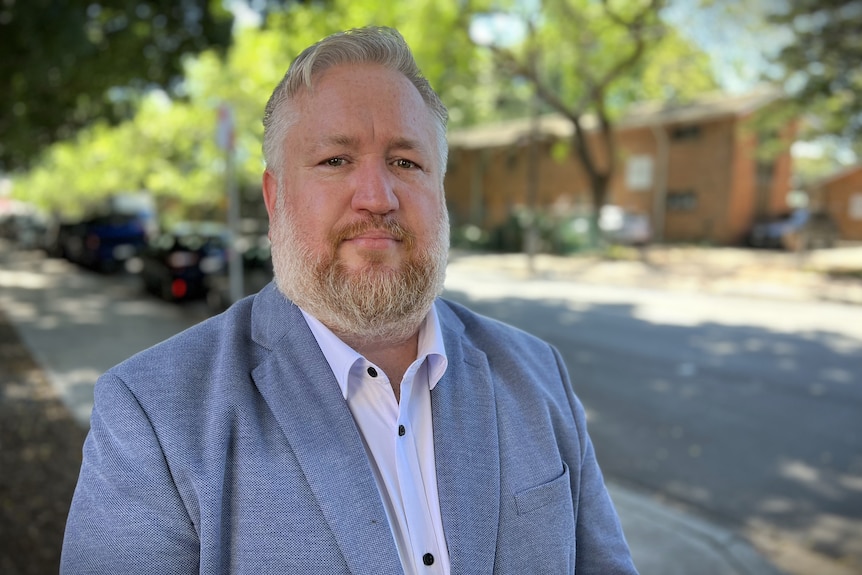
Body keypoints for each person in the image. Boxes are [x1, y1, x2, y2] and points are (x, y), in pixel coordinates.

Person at [61, 26, 638, 574]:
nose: (377, 197)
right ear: (275, 196)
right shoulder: (152, 413)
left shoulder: (537, 373)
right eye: (336, 161)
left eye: (405, 162)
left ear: (438, 192)